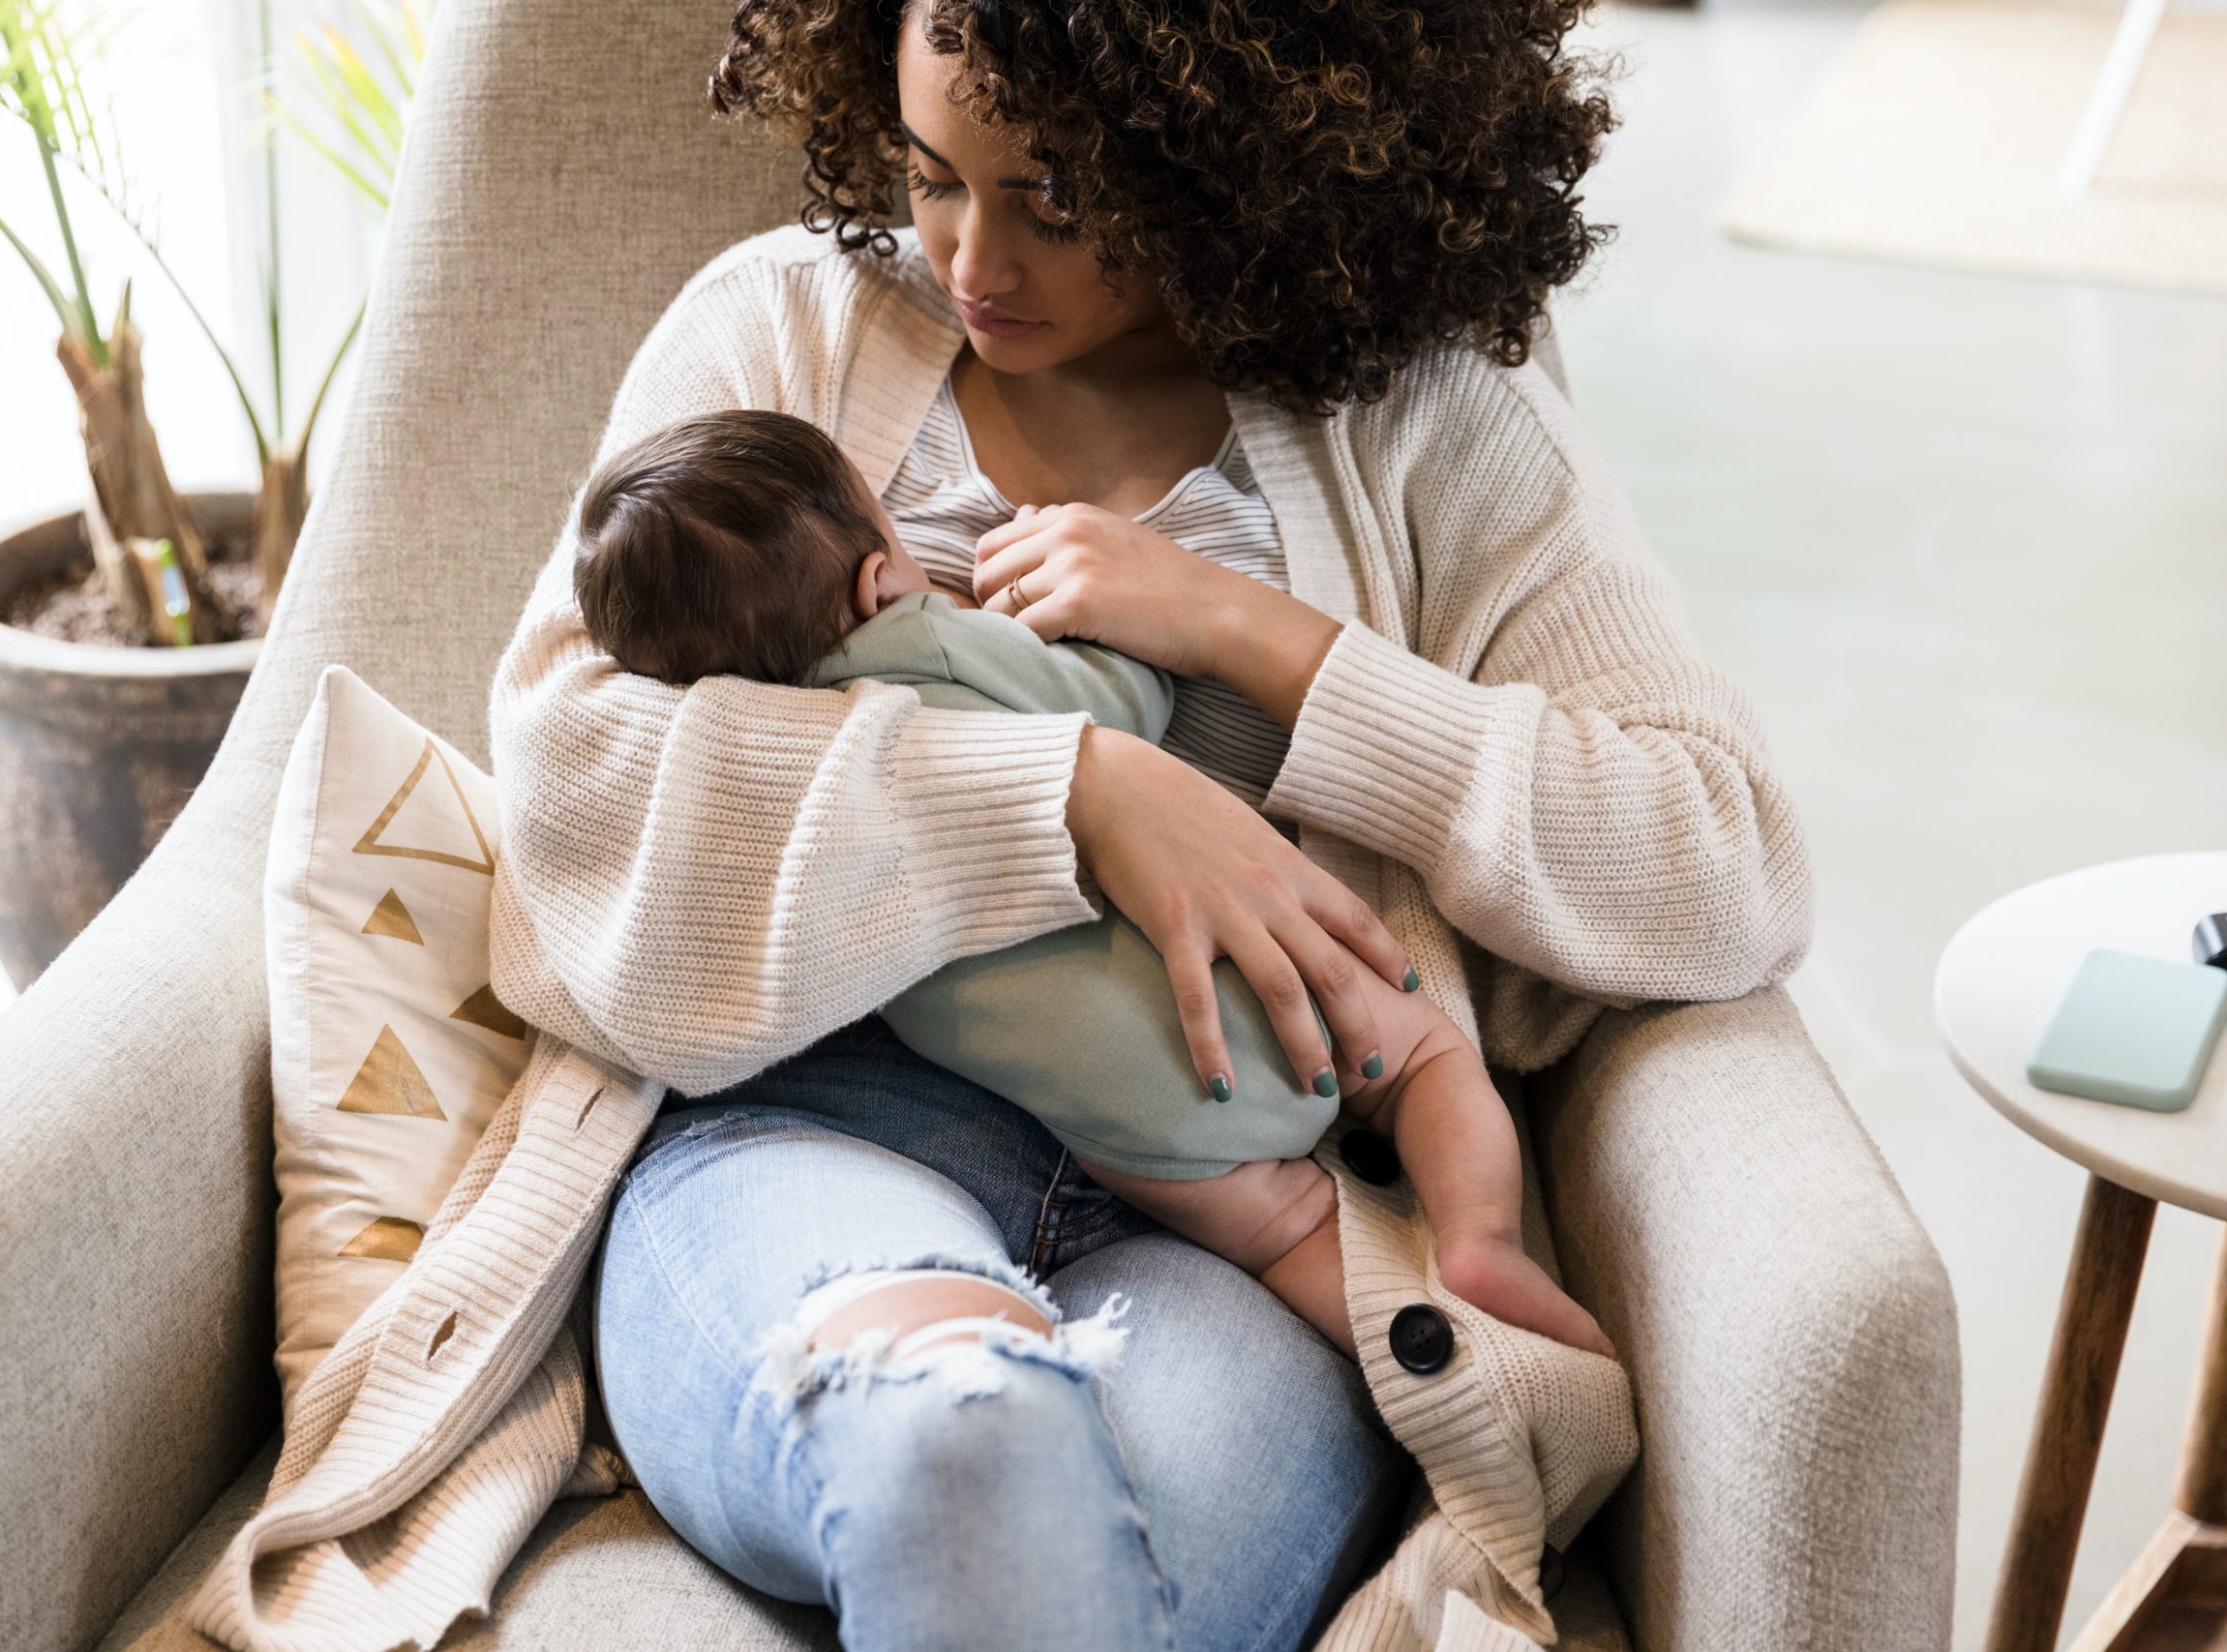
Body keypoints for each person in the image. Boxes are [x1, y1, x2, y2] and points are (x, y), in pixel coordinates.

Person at [489, 2, 1811, 1646]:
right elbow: (568, 773)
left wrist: (1263, 642)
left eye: (1052, 198)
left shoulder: (1432, 430)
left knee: (1070, 1579)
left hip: (1234, 1220)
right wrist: (1074, 794)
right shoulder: (787, 335)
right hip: (812, 1126)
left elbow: (1724, 860)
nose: (972, 258)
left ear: (1243, 155)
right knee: (962, 1441)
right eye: (930, 174)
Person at [568, 405, 1615, 1360]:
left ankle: (1409, 1335)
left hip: (1112, 1113)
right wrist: (1131, 641)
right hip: (1255, 1004)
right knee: (1424, 1057)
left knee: (1283, 1229)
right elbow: (1122, 704)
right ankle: (1480, 1246)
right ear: (874, 581)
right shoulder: (926, 634)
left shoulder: (780, 772)